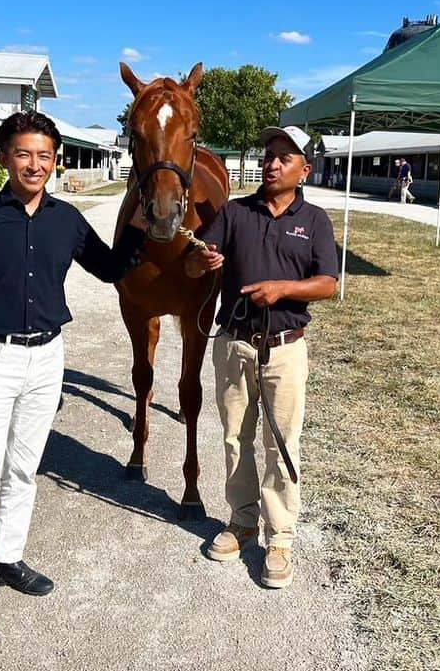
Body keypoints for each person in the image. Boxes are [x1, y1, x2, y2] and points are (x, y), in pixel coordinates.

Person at [0, 110, 146, 648]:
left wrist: (141, 230)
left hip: (48, 361)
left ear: (57, 161)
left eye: (45, 155)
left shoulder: (67, 220)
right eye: (24, 154)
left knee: (24, 470)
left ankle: (6, 558)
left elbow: (111, 269)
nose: (35, 164)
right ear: (4, 157)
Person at [185, 125, 338, 589]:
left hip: (286, 348)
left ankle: (280, 538)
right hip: (233, 343)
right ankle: (242, 521)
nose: (272, 164)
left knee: (282, 443)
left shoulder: (314, 221)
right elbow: (193, 263)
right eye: (268, 155)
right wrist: (204, 262)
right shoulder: (234, 213)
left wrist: (284, 290)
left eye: (284, 157)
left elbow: (328, 283)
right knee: (235, 437)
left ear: (303, 170)